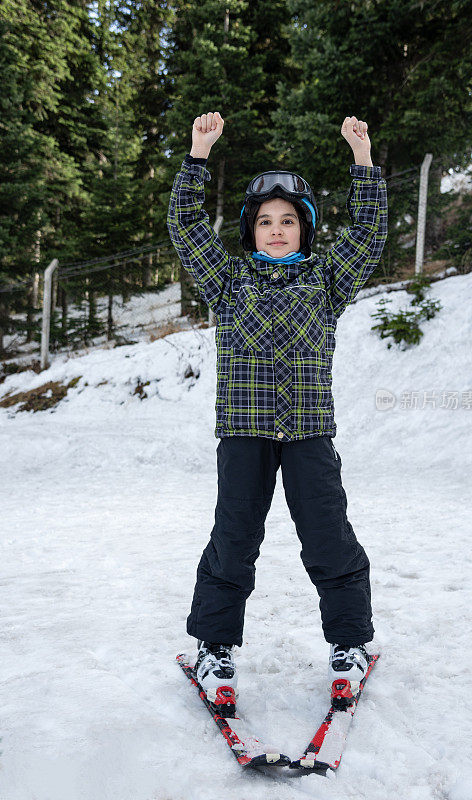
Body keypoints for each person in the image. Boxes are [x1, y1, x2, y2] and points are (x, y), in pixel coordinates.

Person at [167, 111, 388, 708]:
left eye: (288, 220)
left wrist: (361, 161)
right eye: (265, 221)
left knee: (327, 538)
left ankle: (351, 646)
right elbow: (186, 228)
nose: (276, 229)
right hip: (243, 433)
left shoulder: (327, 279)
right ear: (250, 229)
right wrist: (197, 156)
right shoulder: (228, 281)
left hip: (309, 432)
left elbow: (368, 233)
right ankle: (214, 650)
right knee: (234, 539)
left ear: (305, 229)